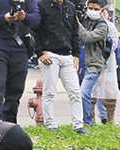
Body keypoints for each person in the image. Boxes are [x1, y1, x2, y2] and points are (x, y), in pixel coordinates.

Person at [0, 0, 40, 128]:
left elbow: (36, 19)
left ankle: (9, 124)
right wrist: (3, 18)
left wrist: (24, 17)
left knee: (16, 87)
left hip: (20, 46)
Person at [34, 0, 84, 133]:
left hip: (67, 55)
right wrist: (39, 52)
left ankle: (78, 125)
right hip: (49, 54)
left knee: (75, 92)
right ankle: (50, 124)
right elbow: (35, 31)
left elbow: (74, 31)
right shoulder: (41, 5)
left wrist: (76, 54)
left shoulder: (70, 7)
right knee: (49, 92)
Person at [78, 0, 109, 126]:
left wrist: (76, 23)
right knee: (80, 94)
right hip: (80, 63)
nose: (92, 10)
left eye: (96, 9)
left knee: (84, 92)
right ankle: (81, 120)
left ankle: (88, 121)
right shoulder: (84, 20)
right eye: (90, 8)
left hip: (94, 64)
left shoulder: (103, 26)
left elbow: (87, 37)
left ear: (101, 10)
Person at [93, 9, 120, 124]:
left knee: (110, 90)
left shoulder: (110, 26)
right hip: (92, 62)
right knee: (92, 90)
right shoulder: (88, 24)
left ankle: (109, 119)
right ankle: (90, 119)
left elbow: (114, 44)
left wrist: (104, 55)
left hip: (108, 63)